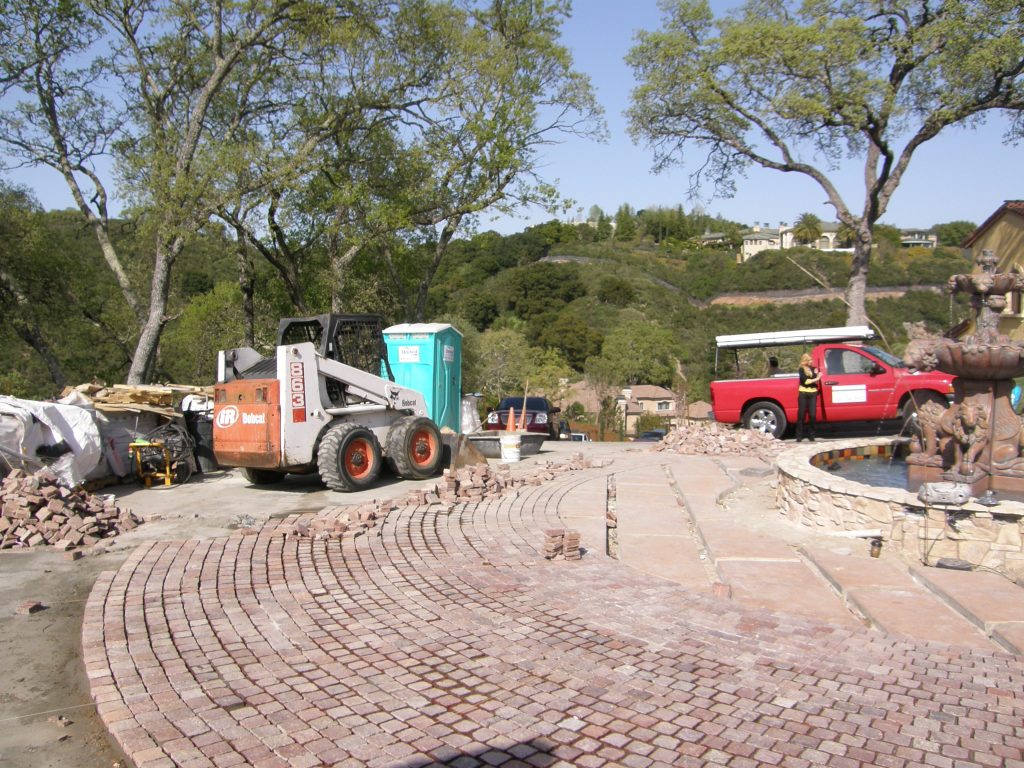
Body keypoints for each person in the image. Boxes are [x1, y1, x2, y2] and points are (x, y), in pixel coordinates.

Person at [796, 353, 822, 441]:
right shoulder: (801, 369)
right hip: (803, 393)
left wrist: (817, 375)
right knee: (801, 414)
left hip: (813, 393)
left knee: (812, 415)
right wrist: (817, 378)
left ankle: (812, 435)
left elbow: (815, 380)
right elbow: (806, 381)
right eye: (810, 360)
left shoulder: (814, 369)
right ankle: (799, 435)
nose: (812, 361)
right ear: (806, 361)